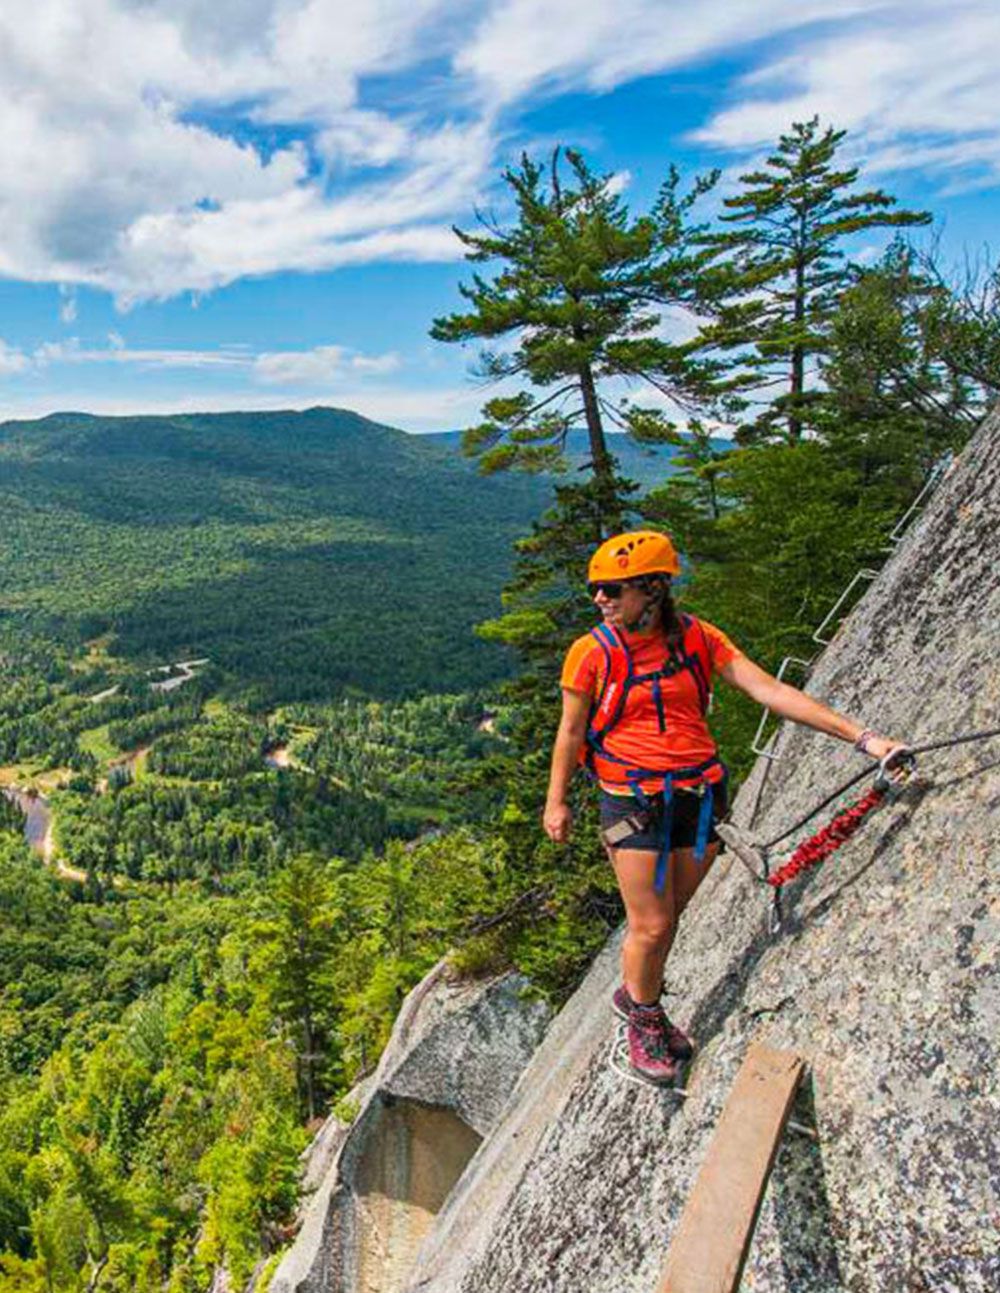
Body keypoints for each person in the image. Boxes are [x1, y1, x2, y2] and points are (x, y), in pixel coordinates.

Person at [542, 529, 907, 1085]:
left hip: (699, 795)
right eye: (598, 590)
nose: (600, 600)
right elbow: (570, 732)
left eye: (613, 590)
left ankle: (634, 989)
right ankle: (643, 1017)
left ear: (653, 588)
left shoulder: (697, 640)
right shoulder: (591, 653)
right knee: (654, 922)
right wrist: (558, 801)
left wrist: (864, 739)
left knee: (673, 912)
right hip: (632, 801)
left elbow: (771, 692)